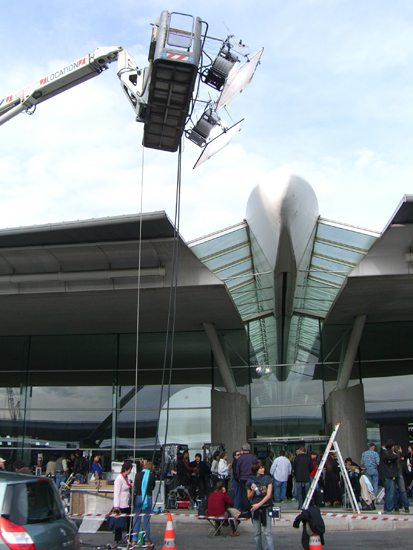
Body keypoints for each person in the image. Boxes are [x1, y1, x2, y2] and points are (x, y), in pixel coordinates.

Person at [246, 463, 274, 550]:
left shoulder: (267, 479)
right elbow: (249, 497)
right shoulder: (250, 481)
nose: (263, 470)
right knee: (257, 533)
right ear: (256, 470)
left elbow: (268, 495)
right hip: (255, 507)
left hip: (266, 506)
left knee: (267, 532)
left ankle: (269, 548)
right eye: (261, 468)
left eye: (263, 468)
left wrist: (258, 505)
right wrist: (253, 490)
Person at [131, 461, 156, 548]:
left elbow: (135, 485)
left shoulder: (137, 475)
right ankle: (146, 540)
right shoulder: (152, 475)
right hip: (147, 497)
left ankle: (134, 540)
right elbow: (153, 487)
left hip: (138, 497)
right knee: (146, 519)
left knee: (137, 518)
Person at [112, 460, 133, 544]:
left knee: (129, 521)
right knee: (119, 522)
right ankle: (118, 538)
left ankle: (129, 537)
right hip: (121, 503)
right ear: (126, 469)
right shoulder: (119, 479)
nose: (130, 471)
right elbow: (116, 492)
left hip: (127, 503)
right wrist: (116, 505)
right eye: (130, 469)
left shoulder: (126, 478)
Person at [379, 439, 399, 514]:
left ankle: (387, 508)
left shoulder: (383, 453)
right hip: (388, 474)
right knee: (390, 492)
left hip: (385, 474)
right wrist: (394, 454)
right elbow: (394, 457)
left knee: (387, 492)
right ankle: (389, 509)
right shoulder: (387, 453)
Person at [236, 443, 258, 511]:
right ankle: (252, 507)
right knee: (253, 493)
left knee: (244, 494)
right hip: (252, 478)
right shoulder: (253, 458)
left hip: (243, 478)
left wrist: (238, 477)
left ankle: (246, 509)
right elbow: (257, 468)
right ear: (250, 449)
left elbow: (237, 469)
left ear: (243, 449)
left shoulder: (240, 458)